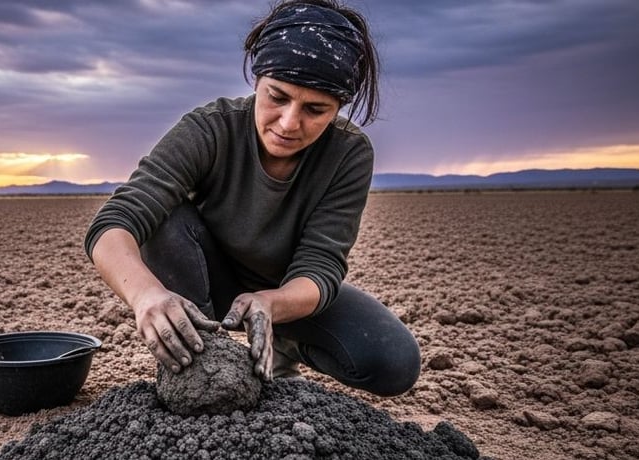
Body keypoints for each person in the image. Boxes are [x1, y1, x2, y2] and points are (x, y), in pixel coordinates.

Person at [84, 0, 420, 397]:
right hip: (207, 279)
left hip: (280, 293)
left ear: (339, 108)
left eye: (315, 109)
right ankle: (203, 366)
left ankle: (286, 346)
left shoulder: (348, 154)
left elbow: (321, 264)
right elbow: (114, 224)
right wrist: (146, 296)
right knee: (164, 219)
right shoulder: (211, 129)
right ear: (257, 80)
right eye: (277, 96)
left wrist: (272, 304)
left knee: (393, 361)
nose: (289, 123)